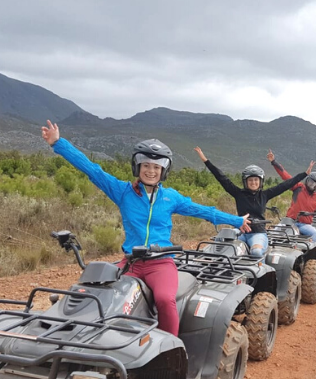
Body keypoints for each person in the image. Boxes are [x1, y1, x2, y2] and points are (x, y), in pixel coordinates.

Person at [41, 120, 250, 336]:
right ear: (138, 167)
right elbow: (93, 170)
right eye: (146, 165)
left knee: (165, 299)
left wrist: (236, 221)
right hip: (131, 262)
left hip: (160, 263)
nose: (151, 171)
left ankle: (170, 348)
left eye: (156, 167)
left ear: (163, 170)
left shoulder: (171, 198)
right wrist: (58, 143)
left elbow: (205, 211)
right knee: (106, 297)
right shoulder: (123, 192)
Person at [194, 147, 310, 257]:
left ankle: (263, 275)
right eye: (250, 180)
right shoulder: (238, 193)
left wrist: (304, 174)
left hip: (258, 233)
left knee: (257, 252)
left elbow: (285, 185)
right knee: (220, 244)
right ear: (245, 181)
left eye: (256, 180)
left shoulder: (265, 195)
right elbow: (221, 177)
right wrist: (206, 161)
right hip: (241, 231)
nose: (253, 182)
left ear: (260, 181)